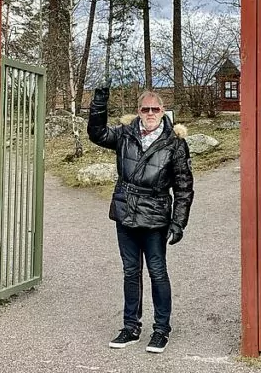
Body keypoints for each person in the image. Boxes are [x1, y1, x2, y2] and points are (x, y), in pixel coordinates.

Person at [87, 86, 194, 354]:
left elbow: (183, 187)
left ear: (162, 111)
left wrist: (178, 222)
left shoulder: (175, 143)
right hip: (125, 213)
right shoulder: (125, 134)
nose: (149, 113)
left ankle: (161, 330)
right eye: (144, 109)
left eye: (154, 109)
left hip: (156, 216)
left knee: (157, 273)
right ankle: (130, 327)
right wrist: (99, 101)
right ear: (138, 111)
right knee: (130, 272)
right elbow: (97, 133)